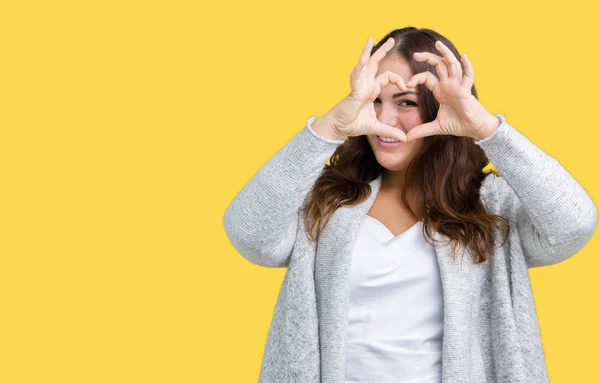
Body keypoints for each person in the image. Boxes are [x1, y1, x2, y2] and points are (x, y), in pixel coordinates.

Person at [222, 27, 598, 383]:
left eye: (406, 102)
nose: (384, 120)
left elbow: (573, 224)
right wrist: (329, 128)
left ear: (441, 108)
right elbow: (249, 234)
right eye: (375, 101)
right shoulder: (328, 199)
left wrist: (484, 128)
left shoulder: (491, 206)